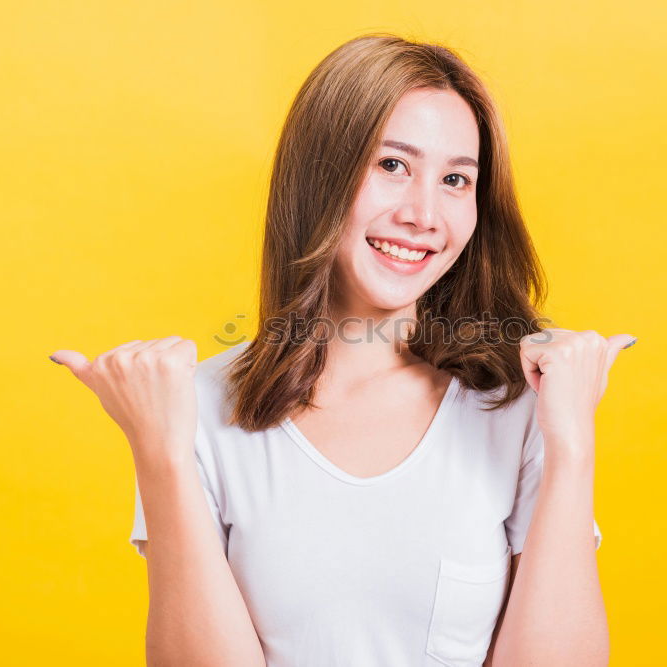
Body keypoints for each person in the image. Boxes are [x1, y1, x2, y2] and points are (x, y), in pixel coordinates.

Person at [50, 33, 634, 667]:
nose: (423, 214)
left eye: (456, 179)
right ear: (318, 174)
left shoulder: (522, 406)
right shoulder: (191, 411)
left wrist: (572, 447)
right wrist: (160, 455)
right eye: (391, 165)